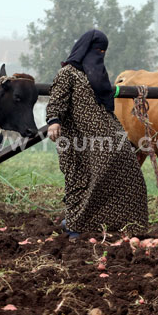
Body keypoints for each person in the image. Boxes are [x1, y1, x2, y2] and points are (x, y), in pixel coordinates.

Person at [46, 29, 148, 237]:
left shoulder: (97, 75)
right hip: (79, 138)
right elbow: (57, 98)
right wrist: (54, 121)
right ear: (85, 49)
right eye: (97, 50)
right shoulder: (68, 73)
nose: (100, 55)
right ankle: (76, 225)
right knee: (83, 179)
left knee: (129, 170)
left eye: (103, 51)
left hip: (108, 133)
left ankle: (119, 224)